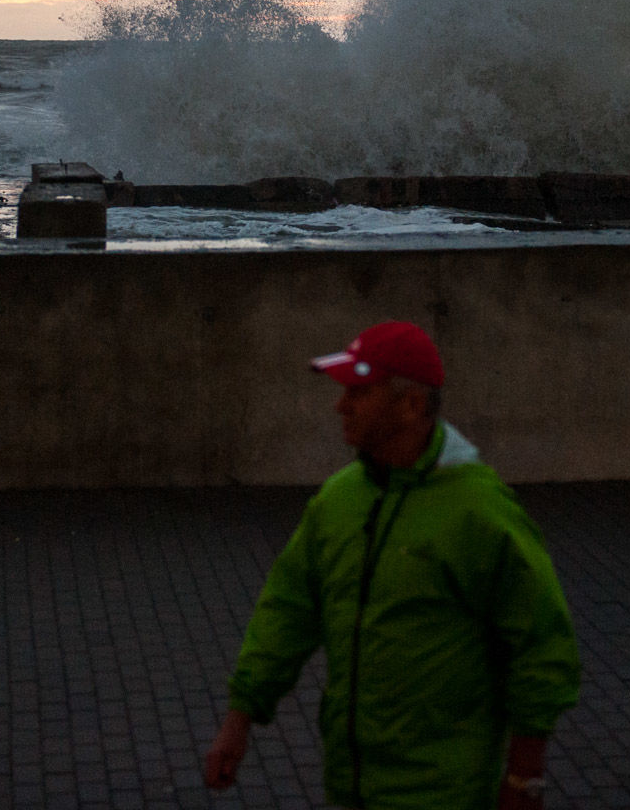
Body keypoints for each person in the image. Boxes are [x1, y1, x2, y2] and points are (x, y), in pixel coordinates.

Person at [203, 320, 580, 810]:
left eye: (358, 391)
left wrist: (524, 778)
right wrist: (239, 720)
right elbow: (289, 610)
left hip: (446, 793)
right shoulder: (338, 501)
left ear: (411, 405)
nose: (340, 405)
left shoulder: (479, 512)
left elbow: (541, 646)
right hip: (350, 786)